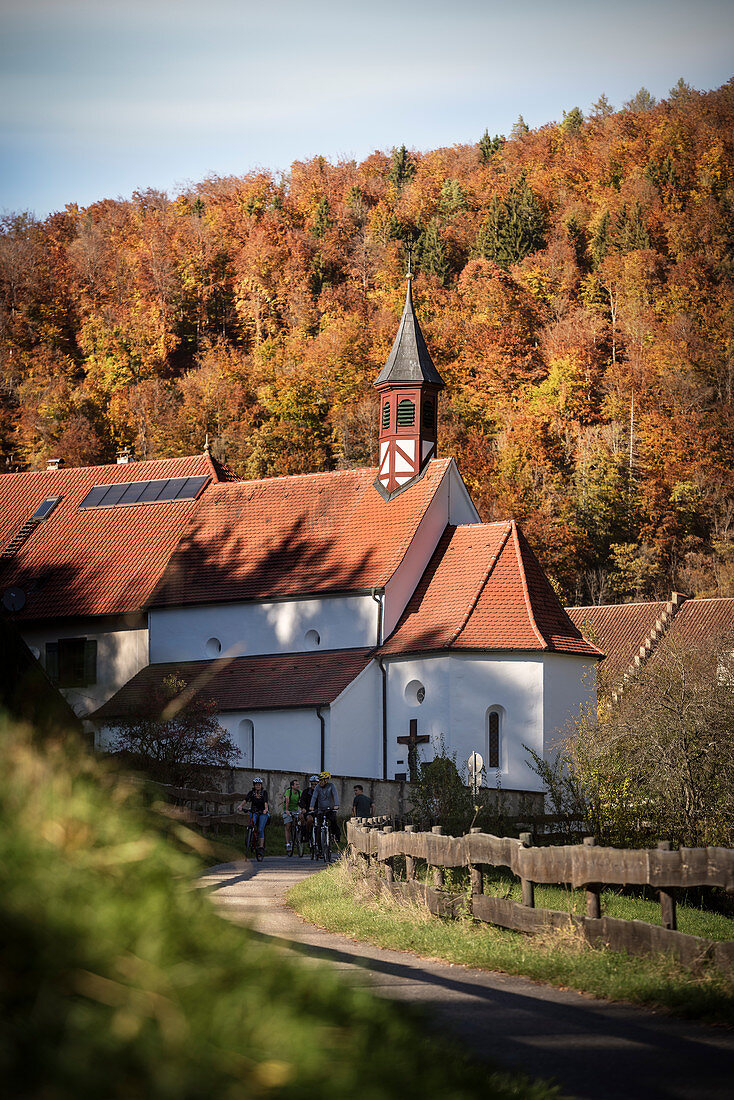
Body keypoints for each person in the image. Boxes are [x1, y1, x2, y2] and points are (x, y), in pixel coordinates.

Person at [237, 777, 269, 851]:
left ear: (261, 785)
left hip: (262, 812)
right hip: (254, 811)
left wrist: (266, 809)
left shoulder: (264, 793)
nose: (258, 786)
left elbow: (265, 802)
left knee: (261, 829)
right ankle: (250, 838)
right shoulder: (251, 793)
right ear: (254, 785)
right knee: (252, 824)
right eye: (256, 785)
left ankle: (261, 847)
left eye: (259, 785)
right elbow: (246, 800)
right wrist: (241, 806)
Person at [310, 771, 340, 843]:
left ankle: (335, 835)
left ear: (326, 780)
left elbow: (335, 795)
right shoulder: (317, 787)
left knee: (333, 821)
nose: (320, 782)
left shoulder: (331, 786)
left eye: (321, 780)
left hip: (330, 809)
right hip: (321, 809)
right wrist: (311, 806)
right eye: (319, 780)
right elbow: (314, 797)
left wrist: (337, 805)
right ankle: (319, 847)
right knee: (318, 827)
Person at [282, 778, 300, 852]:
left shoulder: (300, 792)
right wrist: (286, 810)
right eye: (296, 784)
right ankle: (287, 844)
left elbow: (302, 801)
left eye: (298, 784)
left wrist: (302, 809)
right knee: (288, 826)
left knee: (300, 820)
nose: (298, 786)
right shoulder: (288, 791)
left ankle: (298, 835)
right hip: (288, 810)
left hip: (295, 810)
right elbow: (287, 800)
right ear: (292, 786)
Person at [299, 775, 319, 843]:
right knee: (310, 819)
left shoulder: (320, 792)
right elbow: (302, 801)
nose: (314, 785)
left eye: (315, 784)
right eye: (312, 784)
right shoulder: (306, 791)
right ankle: (307, 834)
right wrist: (303, 808)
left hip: (318, 811)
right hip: (308, 811)